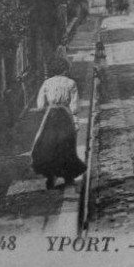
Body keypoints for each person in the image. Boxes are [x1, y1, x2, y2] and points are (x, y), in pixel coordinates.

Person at [31, 57, 86, 189]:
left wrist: (49, 106)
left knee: (49, 146)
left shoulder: (47, 83)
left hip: (50, 117)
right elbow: (75, 108)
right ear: (65, 69)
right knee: (67, 147)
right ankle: (68, 178)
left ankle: (50, 177)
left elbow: (40, 104)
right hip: (65, 116)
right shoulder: (71, 83)